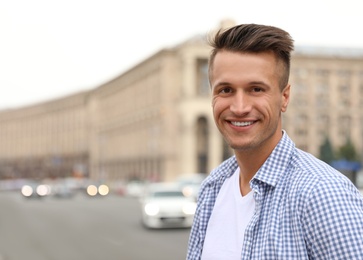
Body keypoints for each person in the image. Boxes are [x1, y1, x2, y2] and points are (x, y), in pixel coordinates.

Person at [186, 23, 363, 259]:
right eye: (226, 90)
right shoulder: (213, 188)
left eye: (256, 89)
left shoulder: (322, 195)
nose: (239, 108)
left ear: (284, 98)